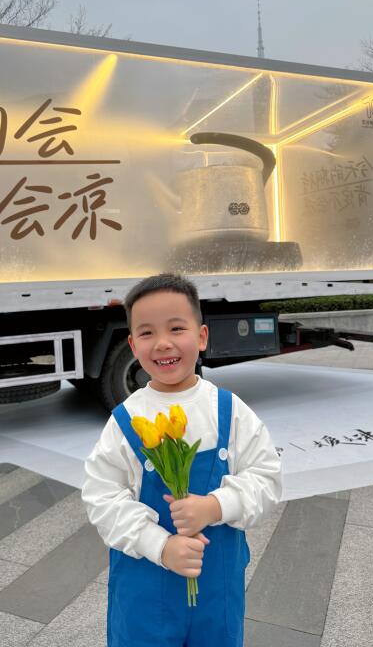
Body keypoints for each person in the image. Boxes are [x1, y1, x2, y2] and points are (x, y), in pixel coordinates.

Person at [81, 273, 282, 647]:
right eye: (147, 333)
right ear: (132, 344)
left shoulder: (229, 410)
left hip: (216, 596)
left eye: (176, 328)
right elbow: (102, 497)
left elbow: (266, 477)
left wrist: (216, 505)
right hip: (144, 596)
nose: (163, 343)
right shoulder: (127, 420)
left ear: (202, 336)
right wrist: (160, 545)